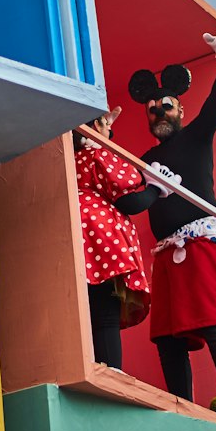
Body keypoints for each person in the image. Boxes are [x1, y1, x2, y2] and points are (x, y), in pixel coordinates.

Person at [128, 18, 216, 418]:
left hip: (202, 241)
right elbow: (136, 198)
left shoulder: (195, 136)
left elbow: (215, 103)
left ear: (181, 109)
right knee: (166, 333)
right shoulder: (144, 161)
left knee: (212, 319)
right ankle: (181, 407)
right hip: (167, 253)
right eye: (152, 108)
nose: (158, 111)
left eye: (166, 106)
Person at [74, 106, 151, 368]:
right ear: (95, 127)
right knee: (105, 312)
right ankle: (112, 375)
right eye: (107, 127)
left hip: (77, 234)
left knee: (89, 310)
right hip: (100, 235)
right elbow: (129, 200)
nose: (111, 132)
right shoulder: (98, 155)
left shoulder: (72, 157)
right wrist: (156, 188)